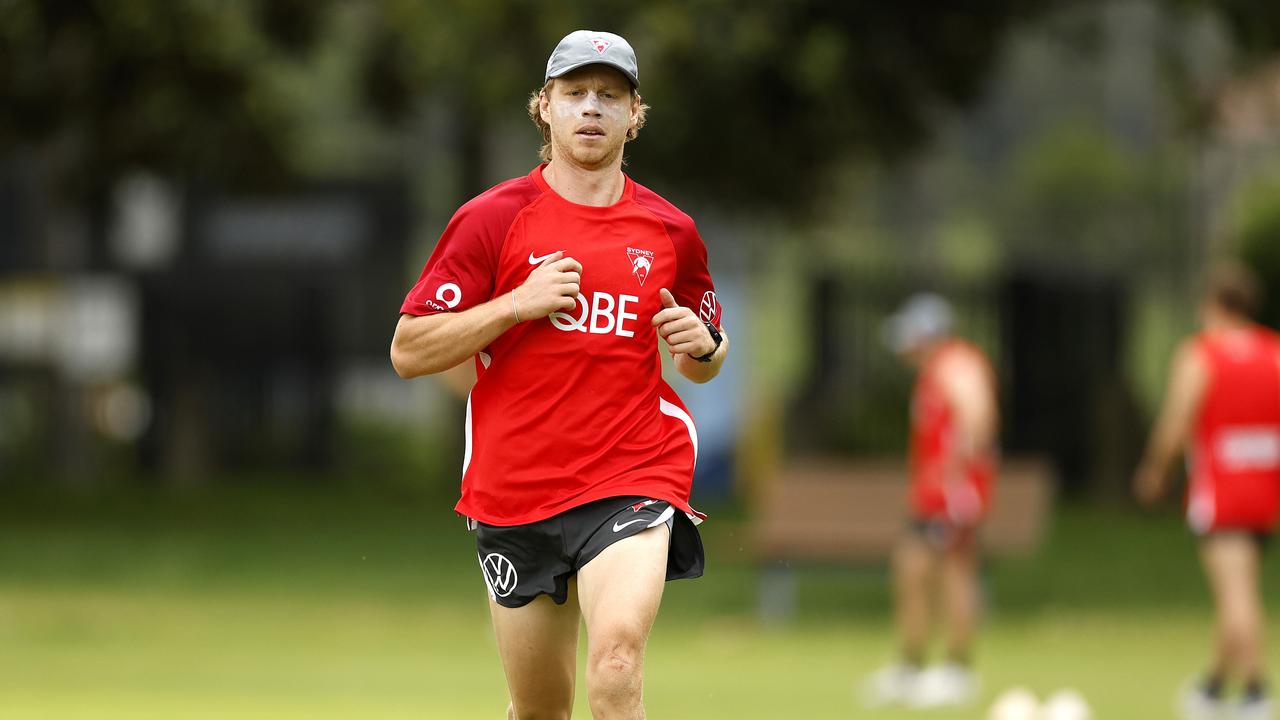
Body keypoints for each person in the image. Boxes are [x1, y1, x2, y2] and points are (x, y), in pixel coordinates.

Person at [390, 30, 728, 720]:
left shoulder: (672, 231)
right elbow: (409, 350)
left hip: (632, 471)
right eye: (575, 93)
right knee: (542, 709)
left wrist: (709, 346)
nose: (591, 109)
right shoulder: (492, 220)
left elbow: (697, 362)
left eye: (610, 96)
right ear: (544, 107)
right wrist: (517, 304)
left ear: (636, 114)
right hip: (516, 489)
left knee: (616, 664)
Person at [1134, 262, 1280, 720]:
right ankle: (1215, 688)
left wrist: (1156, 469)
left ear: (1211, 303)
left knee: (1237, 596)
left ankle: (1256, 691)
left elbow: (1177, 420)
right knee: (1240, 588)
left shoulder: (1200, 354)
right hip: (1267, 486)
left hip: (1221, 488)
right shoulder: (1275, 351)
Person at [863, 293, 999, 709]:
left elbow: (979, 415)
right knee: (911, 569)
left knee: (955, 573)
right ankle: (912, 666)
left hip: (953, 495)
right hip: (933, 494)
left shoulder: (956, 363)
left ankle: (957, 670)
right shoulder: (934, 371)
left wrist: (958, 469)